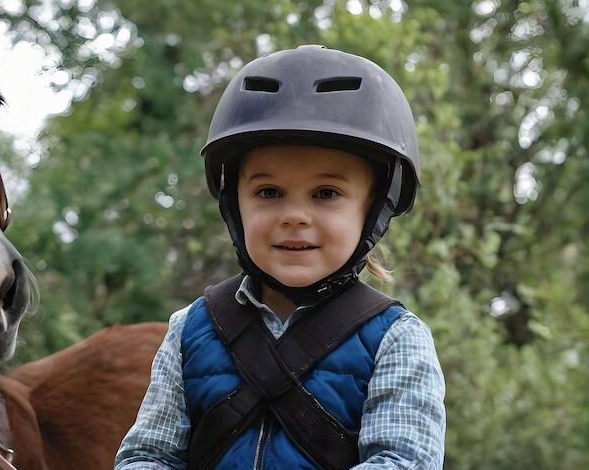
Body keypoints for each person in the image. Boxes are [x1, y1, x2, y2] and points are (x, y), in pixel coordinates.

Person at [115, 45, 445, 469]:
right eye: (268, 192)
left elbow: (403, 461)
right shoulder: (190, 329)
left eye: (326, 194)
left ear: (373, 209)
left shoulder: (397, 340)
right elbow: (148, 455)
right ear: (235, 205)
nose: (294, 216)